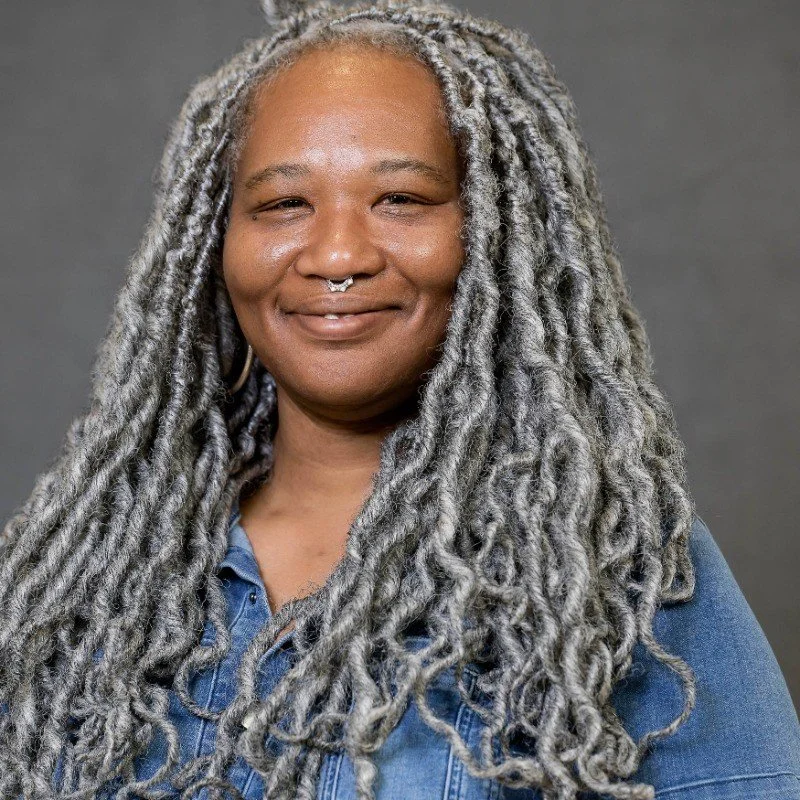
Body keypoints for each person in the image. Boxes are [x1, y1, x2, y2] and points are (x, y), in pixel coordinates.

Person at [0, 0, 797, 797]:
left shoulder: (614, 564)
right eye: (283, 204)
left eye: (401, 200)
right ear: (213, 244)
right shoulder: (80, 581)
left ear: (495, 235)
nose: (337, 254)